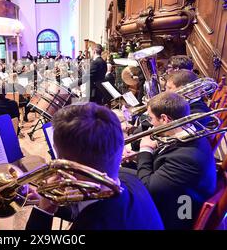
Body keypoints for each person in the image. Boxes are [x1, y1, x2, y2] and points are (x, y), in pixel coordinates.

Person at [26, 103, 164, 230]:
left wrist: (43, 211)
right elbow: (94, 209)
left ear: (67, 164)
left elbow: (94, 216)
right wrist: (52, 202)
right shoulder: (131, 181)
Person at [135, 92, 216, 230]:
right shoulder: (188, 132)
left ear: (165, 119)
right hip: (174, 195)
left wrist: (145, 150)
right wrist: (139, 154)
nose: (150, 123)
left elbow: (147, 188)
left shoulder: (186, 158)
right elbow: (165, 161)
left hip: (173, 215)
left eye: (151, 118)